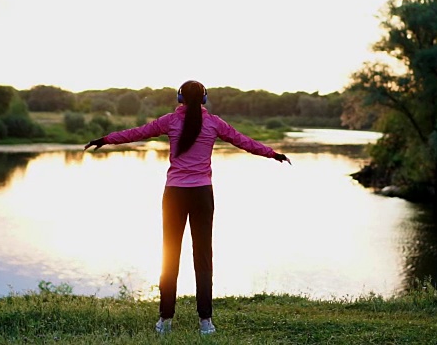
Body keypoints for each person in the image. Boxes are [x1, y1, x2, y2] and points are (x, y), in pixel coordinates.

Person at [84, 80, 291, 335]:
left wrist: (105, 139)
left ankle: (165, 321)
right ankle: (206, 322)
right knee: (203, 258)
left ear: (179, 98)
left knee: (169, 256)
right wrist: (273, 154)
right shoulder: (215, 123)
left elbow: (136, 133)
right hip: (203, 194)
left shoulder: (169, 121)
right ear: (204, 100)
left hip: (175, 195)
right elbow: (243, 141)